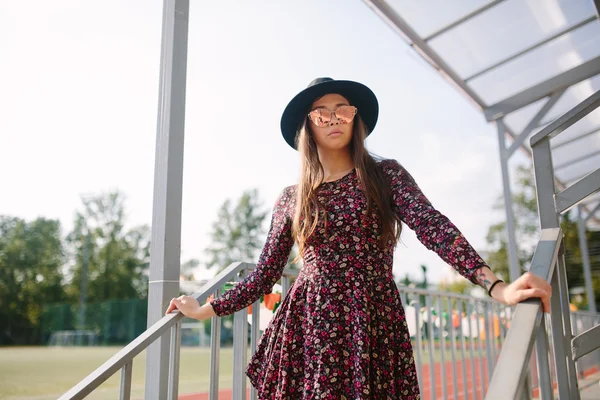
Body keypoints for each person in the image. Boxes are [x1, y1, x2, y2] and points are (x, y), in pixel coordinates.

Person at [166, 78, 552, 399]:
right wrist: (205, 309)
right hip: (309, 323)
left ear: (356, 119)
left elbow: (432, 226)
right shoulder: (291, 197)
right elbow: (265, 273)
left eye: (344, 110)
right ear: (308, 126)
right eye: (322, 113)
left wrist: (496, 286)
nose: (334, 119)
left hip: (372, 318)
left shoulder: (385, 175)